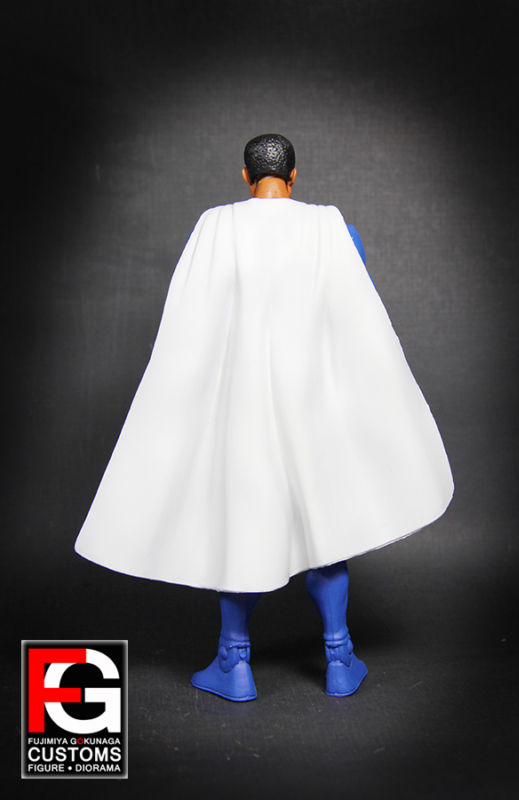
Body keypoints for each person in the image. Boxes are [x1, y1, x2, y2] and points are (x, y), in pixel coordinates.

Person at [75, 134, 454, 702]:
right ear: (294, 176)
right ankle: (339, 658)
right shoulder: (331, 227)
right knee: (325, 530)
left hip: (244, 409)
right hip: (312, 405)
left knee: (244, 526)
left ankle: (235, 662)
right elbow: (360, 313)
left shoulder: (214, 227)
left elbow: (191, 315)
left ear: (244, 175)